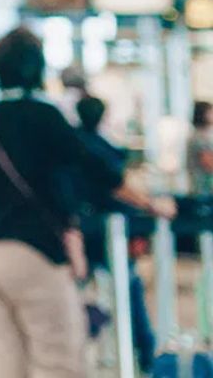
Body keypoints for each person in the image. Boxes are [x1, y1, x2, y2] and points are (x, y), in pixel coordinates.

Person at [0, 27, 171, 378]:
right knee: (59, 363)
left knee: (10, 366)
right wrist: (151, 203)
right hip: (35, 253)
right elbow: (96, 170)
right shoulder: (44, 116)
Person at [74, 96, 154, 372]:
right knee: (127, 286)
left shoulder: (77, 142)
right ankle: (144, 351)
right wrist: (151, 204)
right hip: (104, 231)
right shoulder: (97, 148)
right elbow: (114, 184)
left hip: (82, 230)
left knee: (83, 291)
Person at [187, 101, 213, 197]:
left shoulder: (201, 135)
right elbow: (209, 163)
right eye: (211, 111)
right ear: (203, 114)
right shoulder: (200, 137)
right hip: (203, 189)